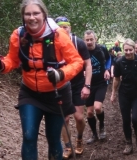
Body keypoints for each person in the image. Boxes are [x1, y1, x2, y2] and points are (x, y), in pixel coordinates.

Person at [0, 0, 84, 159]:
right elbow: (12, 60)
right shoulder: (18, 35)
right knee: (29, 136)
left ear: (44, 15)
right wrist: (0, 65)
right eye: (28, 14)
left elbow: (77, 62)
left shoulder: (59, 35)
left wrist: (61, 73)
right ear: (23, 16)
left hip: (57, 93)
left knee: (53, 139)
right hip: (30, 93)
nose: (32, 18)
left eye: (36, 13)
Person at [54, 16, 92, 159]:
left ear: (70, 28)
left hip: (77, 83)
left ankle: (79, 139)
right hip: (62, 84)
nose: (63, 29)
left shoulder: (79, 43)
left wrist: (87, 85)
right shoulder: (52, 43)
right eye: (60, 27)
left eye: (66, 26)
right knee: (65, 118)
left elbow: (88, 65)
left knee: (79, 117)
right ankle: (68, 146)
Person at [110, 38, 137, 155]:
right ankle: (128, 142)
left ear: (134, 49)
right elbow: (116, 79)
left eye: (130, 50)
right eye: (126, 50)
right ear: (123, 50)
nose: (128, 52)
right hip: (124, 94)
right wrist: (113, 93)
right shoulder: (119, 62)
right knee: (126, 119)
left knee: (136, 118)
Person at [83, 30, 111, 144]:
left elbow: (109, 59)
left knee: (98, 107)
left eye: (91, 39)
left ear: (95, 39)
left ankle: (102, 127)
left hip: (101, 83)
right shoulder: (82, 51)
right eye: (87, 40)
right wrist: (82, 73)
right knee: (89, 112)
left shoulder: (101, 49)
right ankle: (94, 134)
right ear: (84, 40)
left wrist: (107, 69)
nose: (89, 42)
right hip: (88, 84)